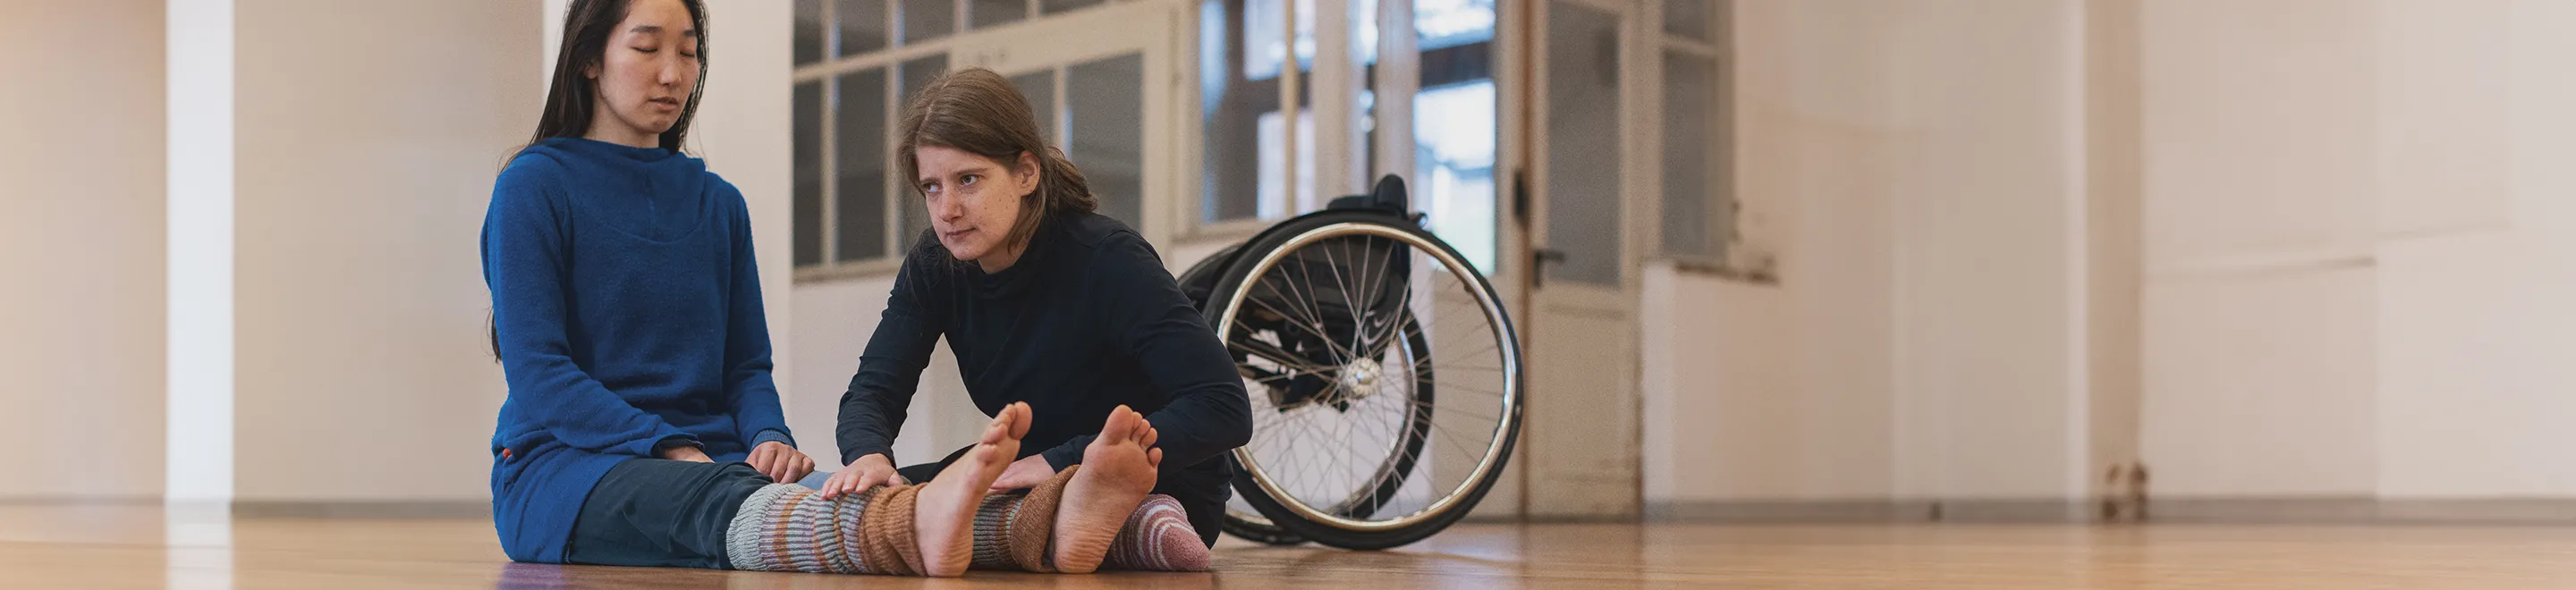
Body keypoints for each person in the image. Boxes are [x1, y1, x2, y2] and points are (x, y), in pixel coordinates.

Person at [485, 0, 1208, 577]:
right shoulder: (533, 188)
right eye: (648, 47)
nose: (673, 72)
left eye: (689, 50)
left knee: (842, 490)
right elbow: (543, 376)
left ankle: (1121, 524)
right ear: (587, 59)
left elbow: (745, 368)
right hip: (566, 472)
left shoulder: (717, 203)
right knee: (769, 498)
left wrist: (768, 435)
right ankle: (981, 521)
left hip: (714, 462)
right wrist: (672, 447)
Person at [820, 66, 1257, 551]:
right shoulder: (933, 261)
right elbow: (874, 389)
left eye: (968, 180)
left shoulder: (1107, 257)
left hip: (1162, 485)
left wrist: (1064, 461)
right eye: (932, 187)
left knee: (932, 522)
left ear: (1026, 173)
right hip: (1031, 468)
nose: (947, 210)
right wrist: (869, 456)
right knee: (875, 506)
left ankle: (1135, 528)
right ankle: (1072, 528)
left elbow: (1223, 406)